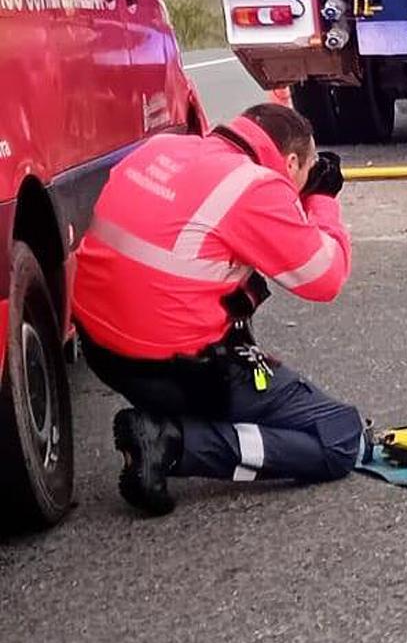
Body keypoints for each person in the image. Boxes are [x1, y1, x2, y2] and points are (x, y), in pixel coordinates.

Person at [71, 103, 361, 516]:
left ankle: (176, 425)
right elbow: (324, 277)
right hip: (177, 372)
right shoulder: (253, 186)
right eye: (305, 170)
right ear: (290, 160)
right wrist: (321, 202)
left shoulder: (162, 149)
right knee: (338, 437)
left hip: (101, 349)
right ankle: (175, 444)